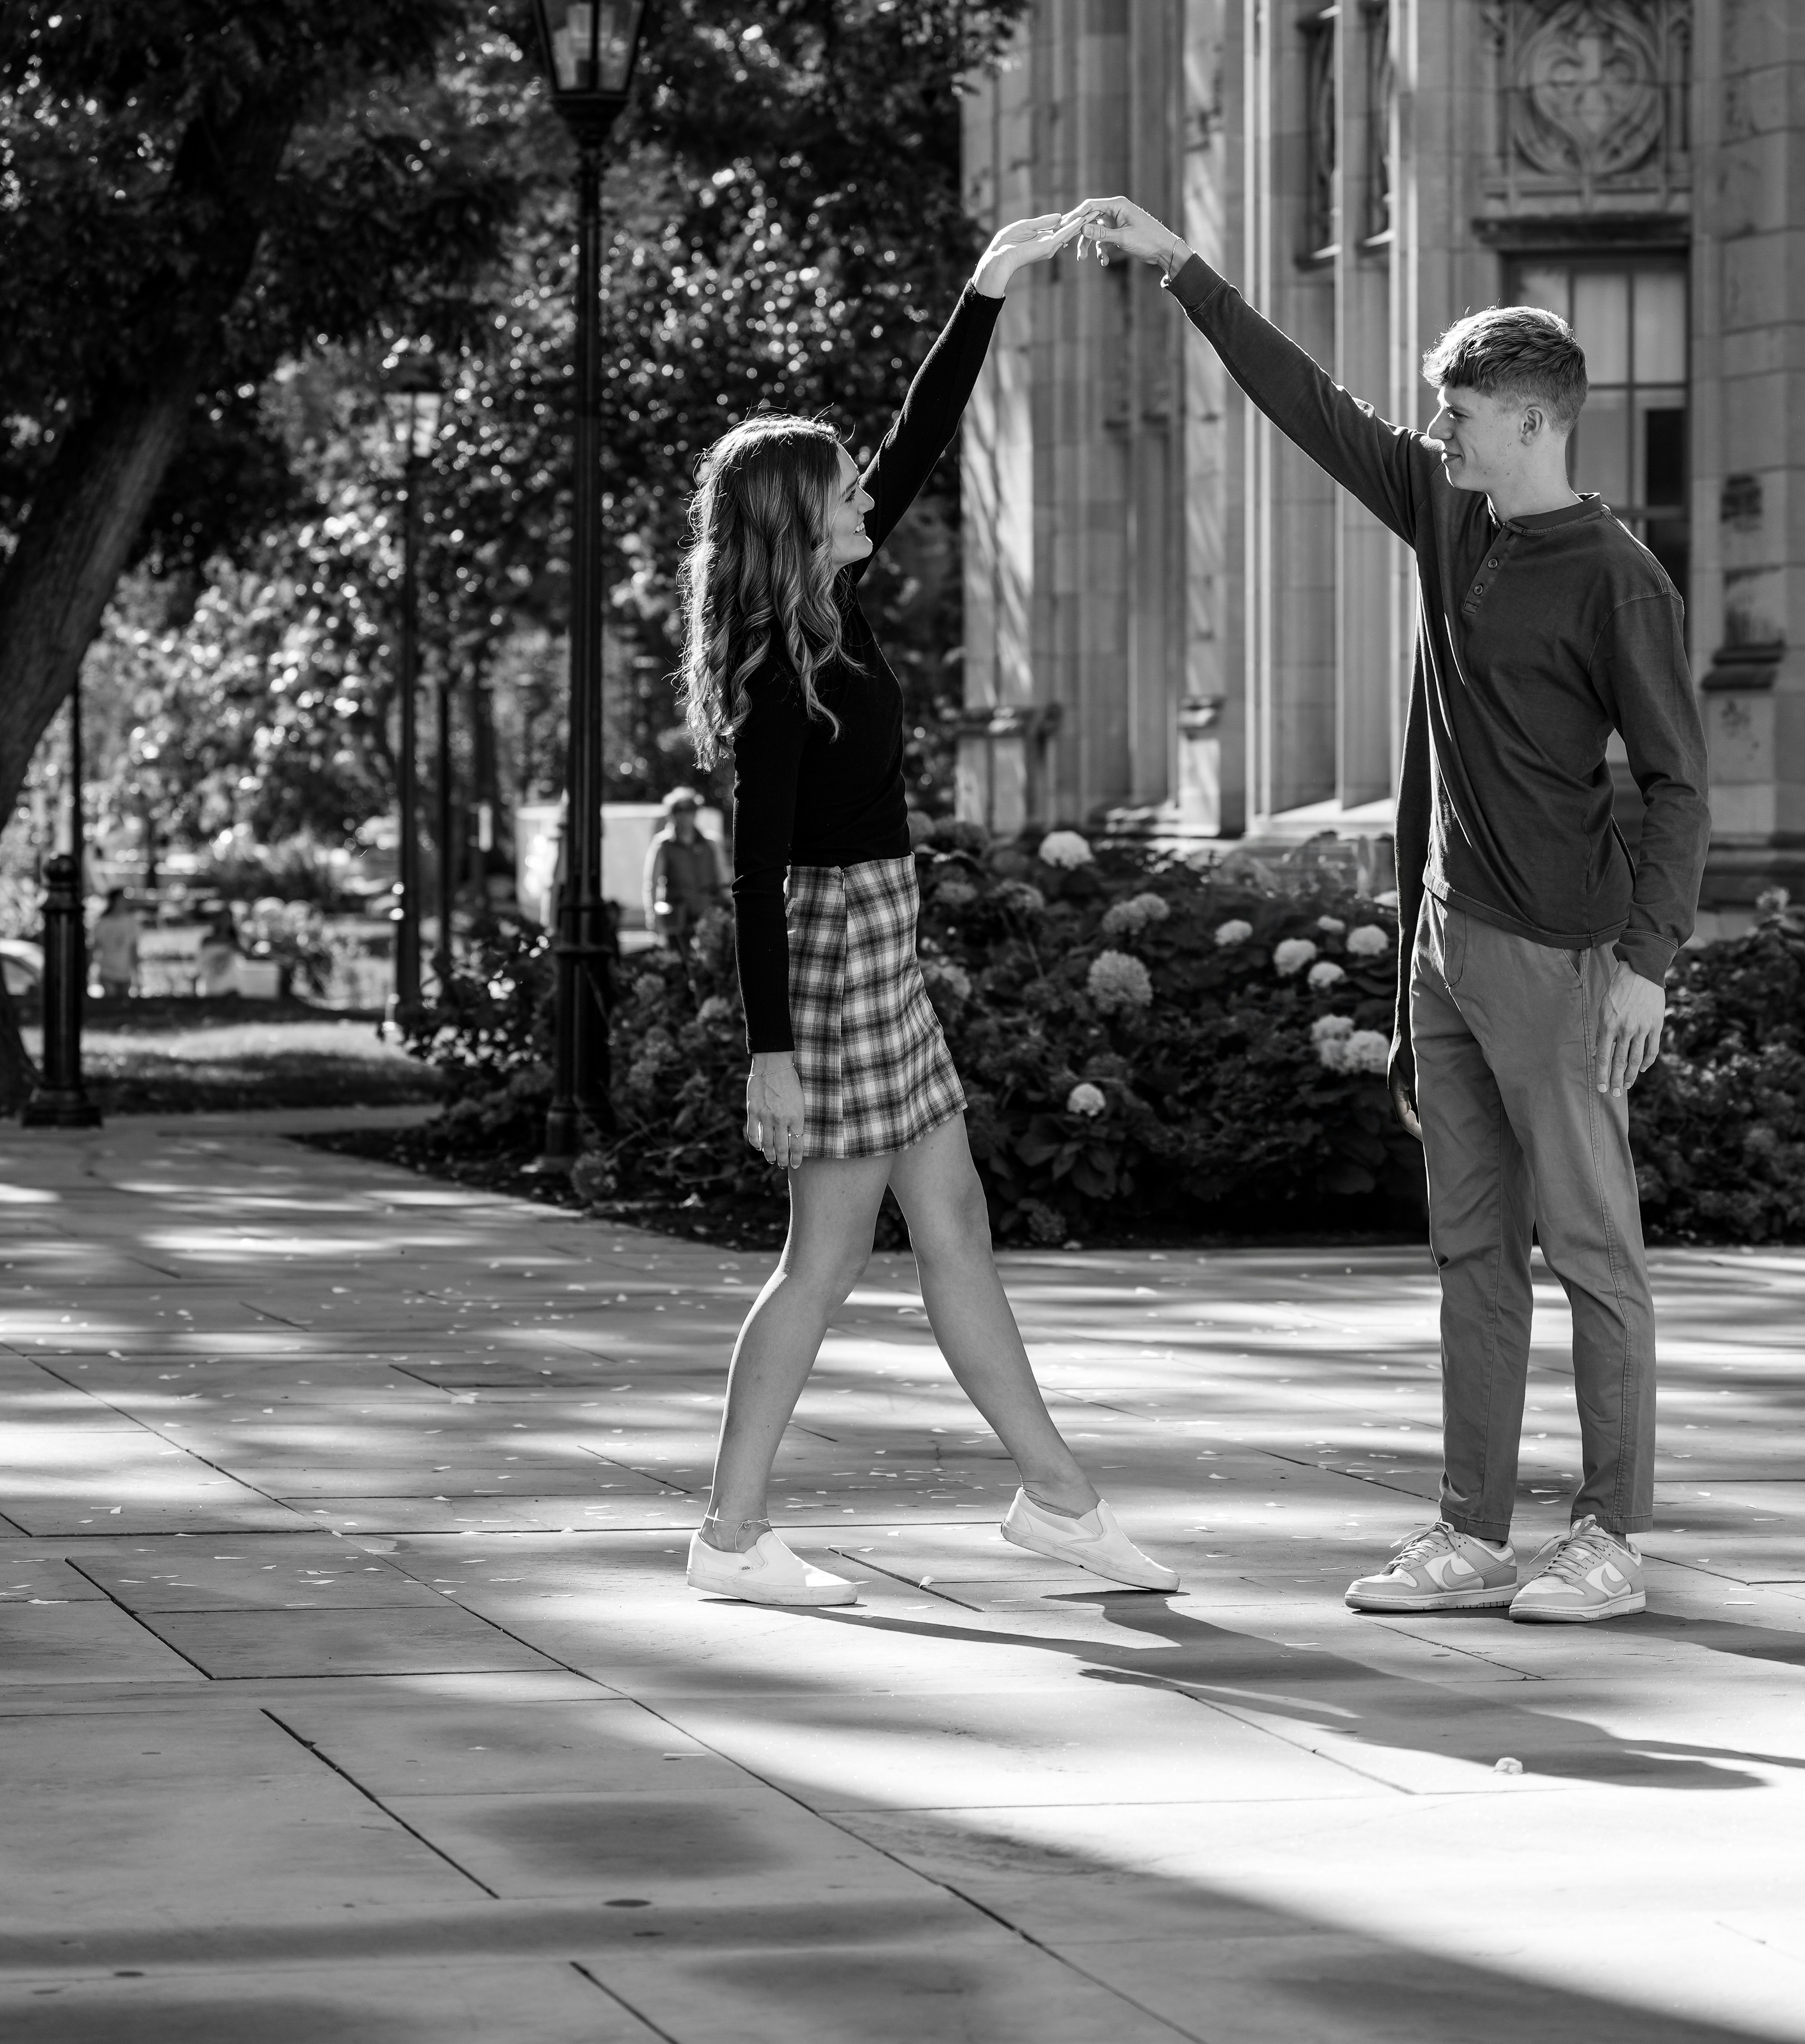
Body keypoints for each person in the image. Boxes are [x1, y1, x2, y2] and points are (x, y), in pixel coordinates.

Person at [1074, 196, 1711, 1625]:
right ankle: (1470, 1531)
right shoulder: (1443, 508)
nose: (1435, 436)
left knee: (1594, 1251)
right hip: (1439, 946)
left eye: (1459, 416)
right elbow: (1311, 406)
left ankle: (1607, 1536)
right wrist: (1186, 271)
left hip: (1559, 956)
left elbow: (1675, 785)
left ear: (1533, 422)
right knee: (1469, 1249)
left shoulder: (1616, 580)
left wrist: (1644, 965)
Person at [680, 208, 1175, 1609]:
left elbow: (918, 438)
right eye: (839, 495)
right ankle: (729, 1538)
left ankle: (1057, 1500)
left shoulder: (832, 618)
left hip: (876, 945)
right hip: (835, 958)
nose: (864, 504)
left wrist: (985, 286)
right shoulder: (778, 679)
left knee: (950, 1225)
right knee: (823, 1259)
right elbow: (755, 885)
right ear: (795, 527)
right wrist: (768, 1056)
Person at [641, 787, 728, 952]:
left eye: (690, 810)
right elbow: (652, 884)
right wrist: (652, 917)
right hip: (677, 917)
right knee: (679, 964)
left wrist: (729, 912)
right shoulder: (663, 845)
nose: (685, 815)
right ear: (672, 814)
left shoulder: (711, 843)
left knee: (711, 965)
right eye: (679, 810)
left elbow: (723, 881)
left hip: (708, 915)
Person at [90, 888, 144, 1000]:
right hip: (108, 972)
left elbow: (134, 950)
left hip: (125, 973)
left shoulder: (131, 922)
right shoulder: (103, 923)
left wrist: (138, 976)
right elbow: (94, 949)